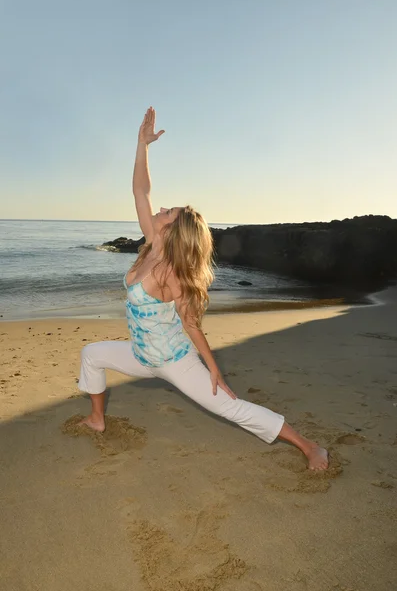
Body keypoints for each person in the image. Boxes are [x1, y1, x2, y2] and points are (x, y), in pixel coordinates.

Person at [77, 107, 329, 471]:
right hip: (142, 354)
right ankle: (97, 419)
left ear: (172, 231)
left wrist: (214, 371)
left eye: (167, 212)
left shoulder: (171, 273)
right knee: (92, 354)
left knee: (229, 406)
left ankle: (309, 447)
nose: (160, 209)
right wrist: (142, 145)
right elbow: (140, 189)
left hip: (175, 362)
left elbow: (191, 324)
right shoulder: (151, 242)